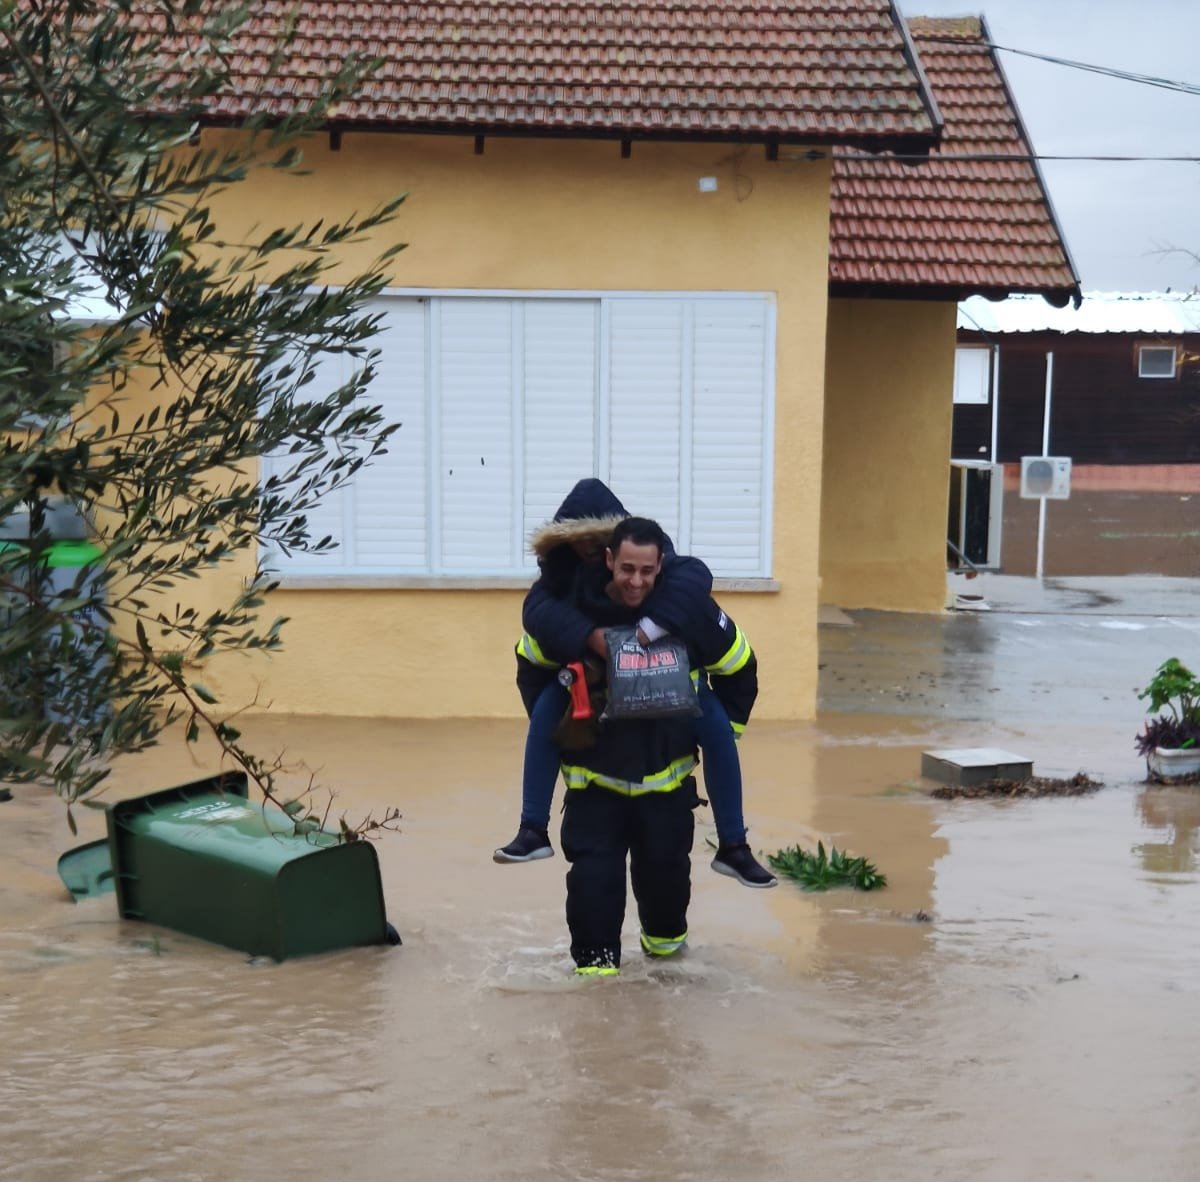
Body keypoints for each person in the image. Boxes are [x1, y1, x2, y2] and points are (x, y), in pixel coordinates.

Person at [495, 479, 776, 888]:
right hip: (593, 720)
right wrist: (586, 659)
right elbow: (532, 648)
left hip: (677, 701)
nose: (635, 580)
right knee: (549, 705)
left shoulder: (676, 582)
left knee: (715, 727)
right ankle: (532, 828)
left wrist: (654, 627)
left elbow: (705, 598)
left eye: (645, 571)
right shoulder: (559, 594)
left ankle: (734, 845)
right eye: (581, 543)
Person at [544, 516, 760, 973]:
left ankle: (664, 998)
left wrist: (721, 736)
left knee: (667, 930)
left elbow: (740, 668)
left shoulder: (687, 610)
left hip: (667, 796)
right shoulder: (574, 611)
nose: (635, 580)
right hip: (593, 794)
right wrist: (560, 729)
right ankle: (596, 1006)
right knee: (592, 910)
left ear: (661, 565)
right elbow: (530, 664)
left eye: (646, 571)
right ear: (609, 561)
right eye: (626, 569)